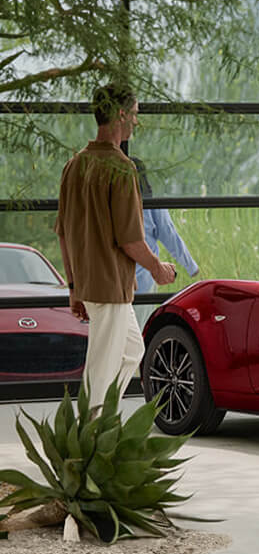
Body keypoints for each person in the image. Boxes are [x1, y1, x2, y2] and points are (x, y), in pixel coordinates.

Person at [55, 83, 176, 409]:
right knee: (102, 366)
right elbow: (131, 240)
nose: (136, 121)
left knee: (132, 351)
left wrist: (74, 287)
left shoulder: (74, 165)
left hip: (93, 286)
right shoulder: (121, 167)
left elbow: (63, 233)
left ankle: (103, 418)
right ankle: (90, 430)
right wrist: (158, 268)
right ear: (121, 114)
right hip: (109, 287)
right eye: (134, 114)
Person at [130, 157, 199, 329]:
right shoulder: (151, 202)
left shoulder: (113, 204)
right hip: (144, 281)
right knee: (140, 330)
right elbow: (169, 235)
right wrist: (191, 267)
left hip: (118, 283)